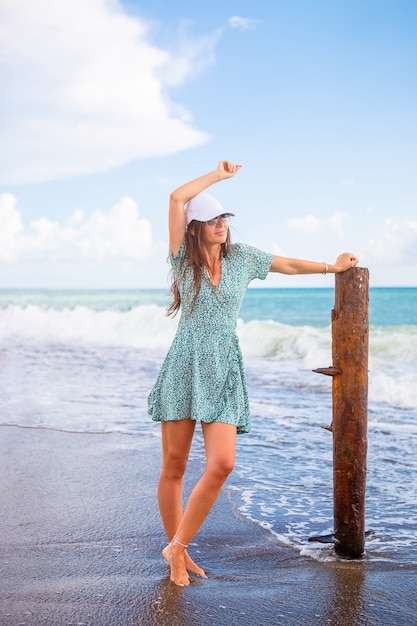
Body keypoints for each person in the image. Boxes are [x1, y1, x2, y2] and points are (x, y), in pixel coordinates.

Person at [148, 160, 358, 587]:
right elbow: (175, 197)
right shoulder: (182, 263)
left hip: (224, 367)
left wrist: (331, 268)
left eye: (223, 217)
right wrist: (217, 175)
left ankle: (179, 544)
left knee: (222, 463)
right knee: (174, 465)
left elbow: (287, 264)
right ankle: (177, 553)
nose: (221, 224)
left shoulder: (242, 258)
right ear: (194, 228)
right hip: (184, 365)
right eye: (210, 219)